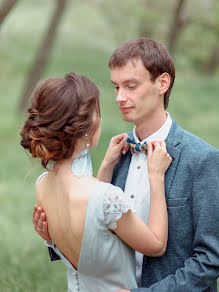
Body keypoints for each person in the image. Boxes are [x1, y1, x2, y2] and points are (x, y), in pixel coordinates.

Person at [34, 38, 219, 291]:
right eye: (116, 87)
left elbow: (209, 260)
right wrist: (52, 240)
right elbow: (97, 232)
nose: (120, 97)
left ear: (162, 83)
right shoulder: (117, 154)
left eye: (131, 86)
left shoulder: (202, 159)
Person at [21, 72, 172, 291]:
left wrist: (106, 166)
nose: (100, 118)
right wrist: (156, 177)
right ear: (86, 125)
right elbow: (156, 245)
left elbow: (93, 223)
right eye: (96, 111)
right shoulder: (105, 197)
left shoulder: (42, 184)